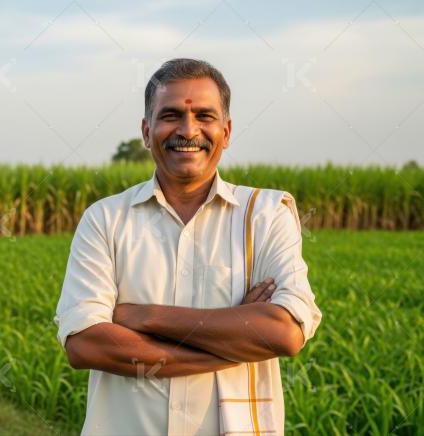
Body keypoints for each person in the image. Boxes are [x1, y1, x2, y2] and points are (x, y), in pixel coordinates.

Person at [54, 59, 323, 435]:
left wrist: (143, 316)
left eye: (204, 116)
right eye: (171, 115)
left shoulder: (265, 215)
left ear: (226, 132)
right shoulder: (105, 219)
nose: (188, 130)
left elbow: (284, 333)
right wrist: (236, 334)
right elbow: (86, 345)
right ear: (146, 132)